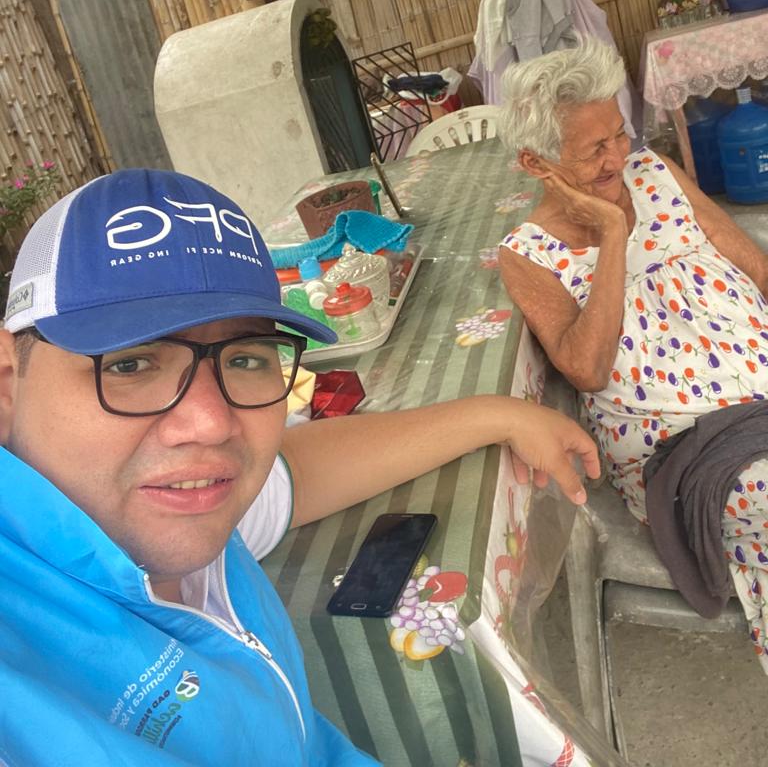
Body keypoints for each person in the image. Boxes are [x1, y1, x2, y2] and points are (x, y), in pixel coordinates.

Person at [0, 167, 599, 765]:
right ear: (7, 379)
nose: (212, 423)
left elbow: (299, 470)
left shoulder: (178, 497)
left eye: (245, 358)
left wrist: (498, 415)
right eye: (129, 365)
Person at [497, 37, 768, 666]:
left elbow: (752, 262)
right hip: (682, 440)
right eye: (594, 149)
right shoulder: (528, 254)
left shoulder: (657, 174)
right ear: (536, 162)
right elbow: (587, 369)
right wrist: (613, 231)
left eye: (619, 134)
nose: (619, 157)